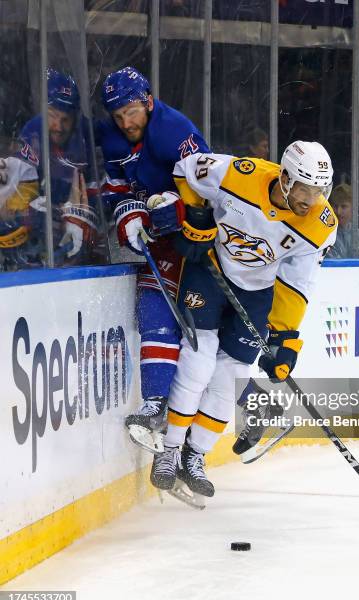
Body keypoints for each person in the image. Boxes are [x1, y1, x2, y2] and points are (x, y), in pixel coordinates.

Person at [149, 141, 337, 498]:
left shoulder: (320, 225)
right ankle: (169, 450)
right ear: (284, 178)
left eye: (319, 192)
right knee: (199, 360)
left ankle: (195, 456)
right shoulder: (238, 174)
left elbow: (297, 282)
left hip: (257, 293)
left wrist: (286, 338)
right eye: (304, 189)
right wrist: (196, 215)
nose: (310, 200)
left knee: (231, 374)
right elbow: (185, 169)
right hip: (209, 271)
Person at [97, 66, 210, 461]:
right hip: (159, 239)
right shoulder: (111, 134)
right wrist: (128, 210)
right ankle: (155, 405)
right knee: (154, 309)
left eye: (131, 111)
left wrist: (181, 209)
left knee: (204, 335)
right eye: (118, 115)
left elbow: (208, 191)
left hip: (197, 241)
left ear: (147, 100)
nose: (126, 122)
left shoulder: (175, 131)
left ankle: (253, 402)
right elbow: (114, 187)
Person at [6, 69, 100, 269]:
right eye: (52, 116)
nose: (58, 126)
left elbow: (96, 193)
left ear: (75, 117)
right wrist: (35, 208)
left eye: (65, 119)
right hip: (45, 227)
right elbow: (23, 190)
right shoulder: (32, 132)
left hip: (78, 224)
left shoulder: (88, 134)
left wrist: (88, 212)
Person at [327, 183, 359, 258]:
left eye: (344, 206)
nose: (338, 212)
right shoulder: (325, 234)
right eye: (335, 206)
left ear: (354, 207)